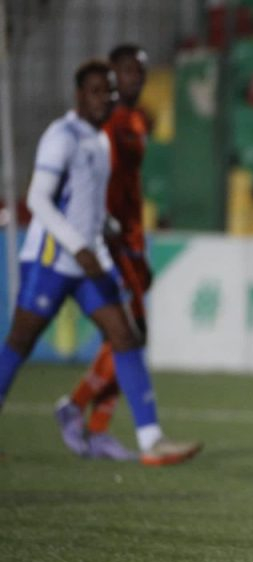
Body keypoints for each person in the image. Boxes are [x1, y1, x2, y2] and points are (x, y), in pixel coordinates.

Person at [0, 59, 201, 467]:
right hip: (52, 261)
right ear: (78, 94)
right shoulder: (62, 136)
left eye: (109, 92)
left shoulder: (99, 140)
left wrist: (105, 230)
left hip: (88, 262)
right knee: (20, 343)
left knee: (125, 338)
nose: (104, 98)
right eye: (95, 91)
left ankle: (151, 439)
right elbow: (38, 199)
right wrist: (78, 245)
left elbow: (85, 202)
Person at [55, 44, 153, 461]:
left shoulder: (135, 120)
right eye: (128, 71)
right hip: (109, 239)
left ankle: (96, 429)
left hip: (131, 236)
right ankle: (77, 408)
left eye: (140, 72)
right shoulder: (103, 125)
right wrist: (107, 234)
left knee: (125, 335)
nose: (135, 79)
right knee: (130, 333)